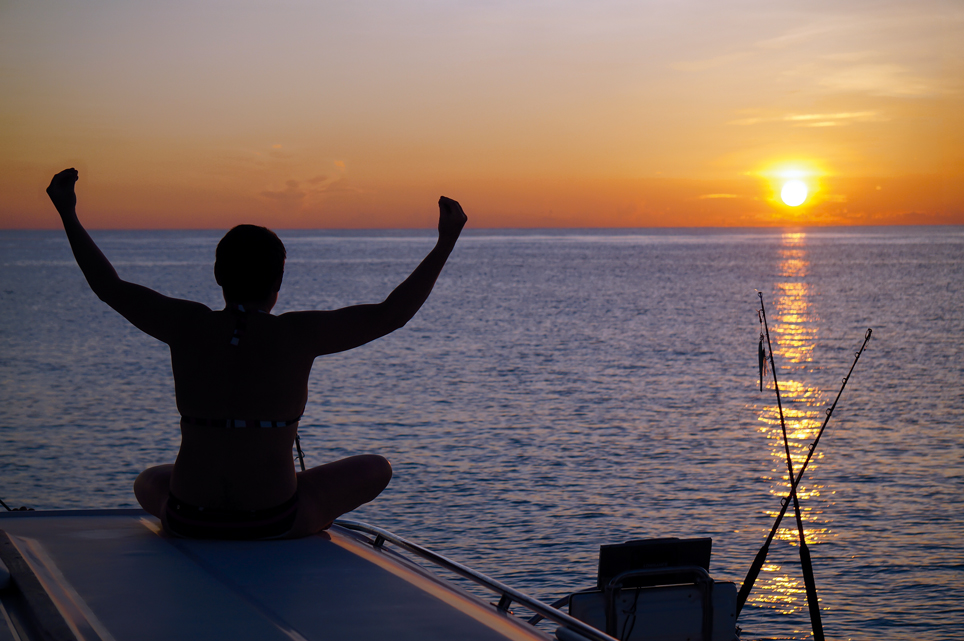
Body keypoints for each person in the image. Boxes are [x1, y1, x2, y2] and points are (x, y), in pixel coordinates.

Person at [46, 168, 467, 539]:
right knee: (378, 467)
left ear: (218, 274)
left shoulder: (186, 324)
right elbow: (392, 314)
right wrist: (446, 241)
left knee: (149, 479)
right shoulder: (297, 333)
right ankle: (299, 513)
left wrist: (68, 212)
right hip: (272, 520)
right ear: (279, 279)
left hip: (187, 519)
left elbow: (109, 287)